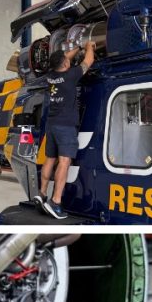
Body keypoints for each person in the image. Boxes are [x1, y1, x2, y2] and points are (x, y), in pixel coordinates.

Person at [39, 39, 96, 220]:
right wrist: (88, 47)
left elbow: (63, 60)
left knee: (50, 159)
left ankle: (41, 194)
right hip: (66, 127)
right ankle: (56, 202)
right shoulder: (72, 75)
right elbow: (88, 62)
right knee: (64, 162)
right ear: (65, 63)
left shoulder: (51, 76)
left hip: (52, 124)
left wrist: (77, 48)